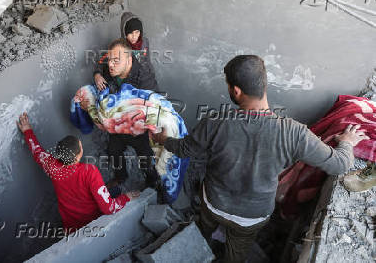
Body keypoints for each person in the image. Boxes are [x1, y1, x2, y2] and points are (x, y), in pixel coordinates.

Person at [151, 55, 369, 263]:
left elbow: (185, 149)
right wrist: (347, 141)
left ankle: (200, 244)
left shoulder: (215, 123)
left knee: (203, 228)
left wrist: (163, 138)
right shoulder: (294, 133)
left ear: (235, 91)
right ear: (264, 85)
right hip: (251, 217)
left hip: (214, 204)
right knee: (236, 254)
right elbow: (340, 164)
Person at [17, 112, 140, 234]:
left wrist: (27, 131)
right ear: (78, 156)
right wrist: (126, 198)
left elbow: (37, 151)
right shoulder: (89, 172)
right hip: (93, 222)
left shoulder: (52, 166)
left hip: (70, 226)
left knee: (108, 190)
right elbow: (109, 208)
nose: (82, 148)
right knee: (117, 191)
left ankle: (107, 189)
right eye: (81, 147)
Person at [91, 38, 159, 192]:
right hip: (119, 125)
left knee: (145, 159)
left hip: (139, 129)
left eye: (116, 60)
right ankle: (120, 177)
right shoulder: (111, 68)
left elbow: (154, 108)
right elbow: (100, 64)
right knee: (113, 151)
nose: (110, 65)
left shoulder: (144, 78)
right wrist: (97, 74)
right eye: (110, 60)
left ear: (129, 60)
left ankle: (152, 181)